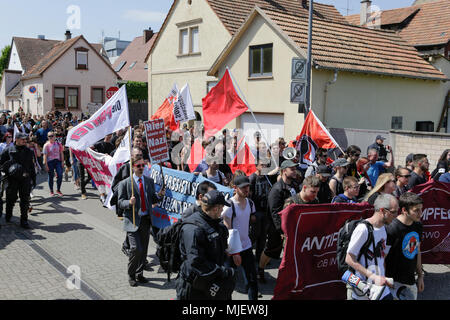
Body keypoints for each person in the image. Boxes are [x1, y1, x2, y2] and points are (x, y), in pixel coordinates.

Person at [176, 189, 236, 300]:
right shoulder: (193, 229)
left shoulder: (214, 221)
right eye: (222, 208)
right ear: (215, 208)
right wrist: (223, 272)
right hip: (195, 287)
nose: (223, 211)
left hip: (211, 281)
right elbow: (195, 261)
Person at [117, 156, 165, 287]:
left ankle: (139, 274)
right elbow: (120, 202)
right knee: (135, 248)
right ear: (133, 167)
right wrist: (129, 202)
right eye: (138, 166)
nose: (141, 168)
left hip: (145, 219)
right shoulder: (126, 183)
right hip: (132, 221)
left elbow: (153, 199)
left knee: (143, 250)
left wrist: (159, 195)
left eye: (143, 165)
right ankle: (131, 273)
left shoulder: (149, 181)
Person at [345, 193, 398, 300]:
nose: (396, 215)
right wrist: (373, 276)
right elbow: (349, 258)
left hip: (381, 289)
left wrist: (383, 277)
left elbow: (381, 258)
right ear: (383, 210)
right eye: (393, 212)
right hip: (365, 291)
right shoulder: (363, 229)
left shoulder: (383, 228)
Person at [258, 160, 300, 283]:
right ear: (283, 171)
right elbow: (274, 212)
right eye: (291, 169)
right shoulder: (276, 190)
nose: (294, 171)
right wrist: (281, 230)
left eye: (294, 169)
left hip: (291, 225)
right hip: (276, 228)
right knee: (270, 250)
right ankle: (260, 269)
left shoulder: (294, 185)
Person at [222, 175, 258, 300]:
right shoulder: (229, 206)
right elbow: (228, 232)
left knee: (252, 280)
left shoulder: (251, 203)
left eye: (248, 186)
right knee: (228, 283)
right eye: (243, 187)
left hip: (246, 246)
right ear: (235, 188)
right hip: (232, 250)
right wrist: (235, 252)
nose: (246, 189)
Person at [385, 192, 424, 300]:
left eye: (421, 209)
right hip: (393, 282)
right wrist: (384, 280)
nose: (420, 213)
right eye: (416, 210)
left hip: (410, 280)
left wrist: (420, 276)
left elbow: (417, 250)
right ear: (404, 210)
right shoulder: (391, 229)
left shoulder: (418, 225)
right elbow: (382, 257)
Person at [0, 132, 36, 229]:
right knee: (11, 199)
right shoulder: (8, 150)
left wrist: (33, 179)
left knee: (25, 200)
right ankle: (8, 215)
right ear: (16, 139)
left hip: (25, 178)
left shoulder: (29, 151)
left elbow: (32, 166)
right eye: (22, 139)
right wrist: (6, 172)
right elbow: (1, 164)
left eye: (25, 139)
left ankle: (24, 220)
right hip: (12, 179)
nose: (25, 141)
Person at [43, 131, 65, 197]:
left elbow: (61, 153)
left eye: (52, 135)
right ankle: (51, 190)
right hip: (50, 162)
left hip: (57, 161)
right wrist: (46, 165)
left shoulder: (58, 144)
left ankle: (58, 189)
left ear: (55, 136)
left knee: (60, 175)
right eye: (49, 136)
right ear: (47, 137)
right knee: (51, 176)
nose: (51, 137)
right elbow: (45, 155)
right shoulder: (46, 145)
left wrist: (63, 162)